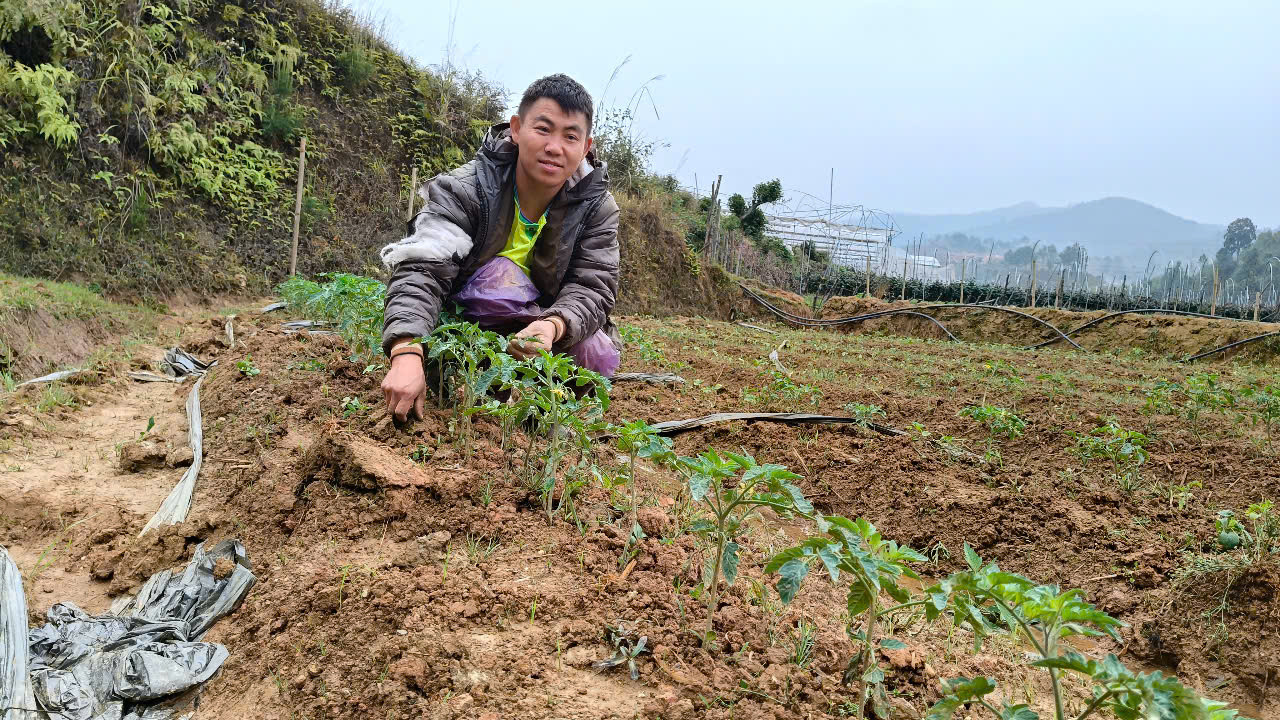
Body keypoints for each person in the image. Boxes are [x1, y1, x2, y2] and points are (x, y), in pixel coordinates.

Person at [379, 74, 621, 422]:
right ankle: (463, 376)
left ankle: (533, 399)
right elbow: (422, 271)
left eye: (570, 136)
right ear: (517, 129)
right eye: (543, 129)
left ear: (585, 147)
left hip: (540, 332)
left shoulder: (596, 208)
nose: (555, 147)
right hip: (469, 326)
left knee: (592, 351)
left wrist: (552, 326)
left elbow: (593, 285)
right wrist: (406, 351)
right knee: (498, 281)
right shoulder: (466, 190)